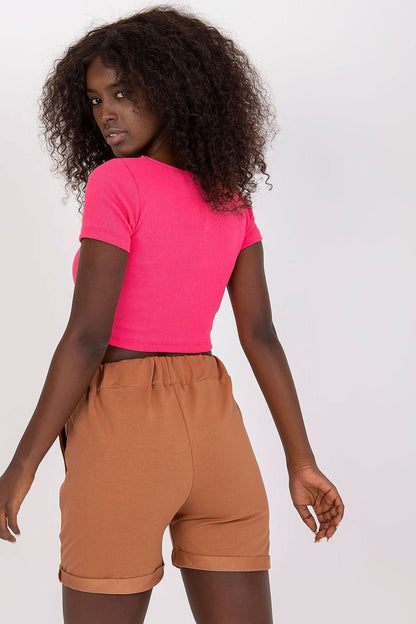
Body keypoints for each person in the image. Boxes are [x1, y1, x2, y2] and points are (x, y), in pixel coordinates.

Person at [0, 5, 344, 623]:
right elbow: (260, 335)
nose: (105, 113)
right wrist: (301, 462)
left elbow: (87, 337)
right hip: (218, 427)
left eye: (123, 93)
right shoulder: (232, 200)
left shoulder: (118, 183)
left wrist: (22, 466)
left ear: (174, 90)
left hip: (124, 426)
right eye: (95, 99)